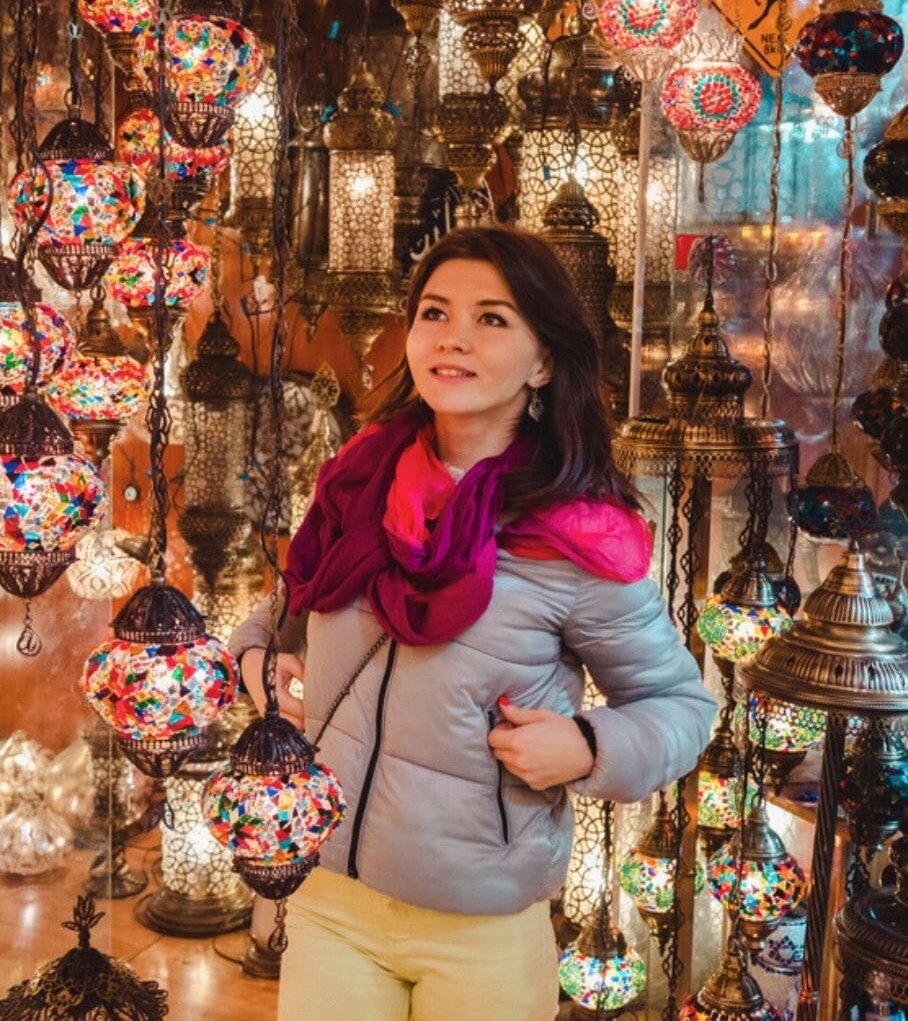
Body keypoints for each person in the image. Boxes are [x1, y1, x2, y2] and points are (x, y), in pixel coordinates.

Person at [233, 225, 717, 1021]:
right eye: (434, 312)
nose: (453, 337)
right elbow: (278, 618)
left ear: (544, 361)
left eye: (492, 319)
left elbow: (685, 709)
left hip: (483, 926)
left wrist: (587, 747)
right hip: (327, 897)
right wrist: (256, 666)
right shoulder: (356, 486)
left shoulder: (573, 534)